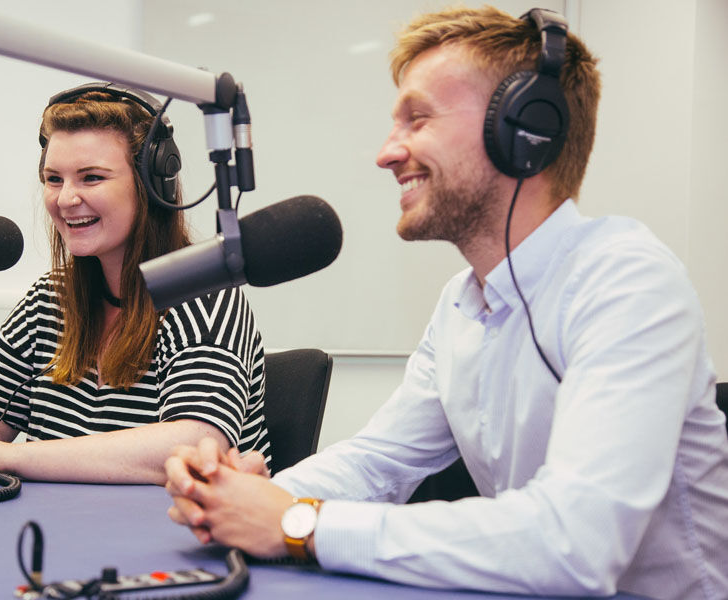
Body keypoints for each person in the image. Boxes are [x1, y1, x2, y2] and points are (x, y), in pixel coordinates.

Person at [163, 6, 728, 599]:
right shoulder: (462, 303)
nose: (386, 152)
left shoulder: (627, 280)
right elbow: (377, 463)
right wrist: (246, 494)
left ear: (523, 131)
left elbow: (577, 542)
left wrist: (298, 523)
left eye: (418, 119)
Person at [0, 83, 270, 485]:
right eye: (54, 179)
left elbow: (192, 447)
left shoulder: (204, 294)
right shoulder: (49, 299)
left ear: (152, 186)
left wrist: (6, 455)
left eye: (91, 178)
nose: (66, 198)